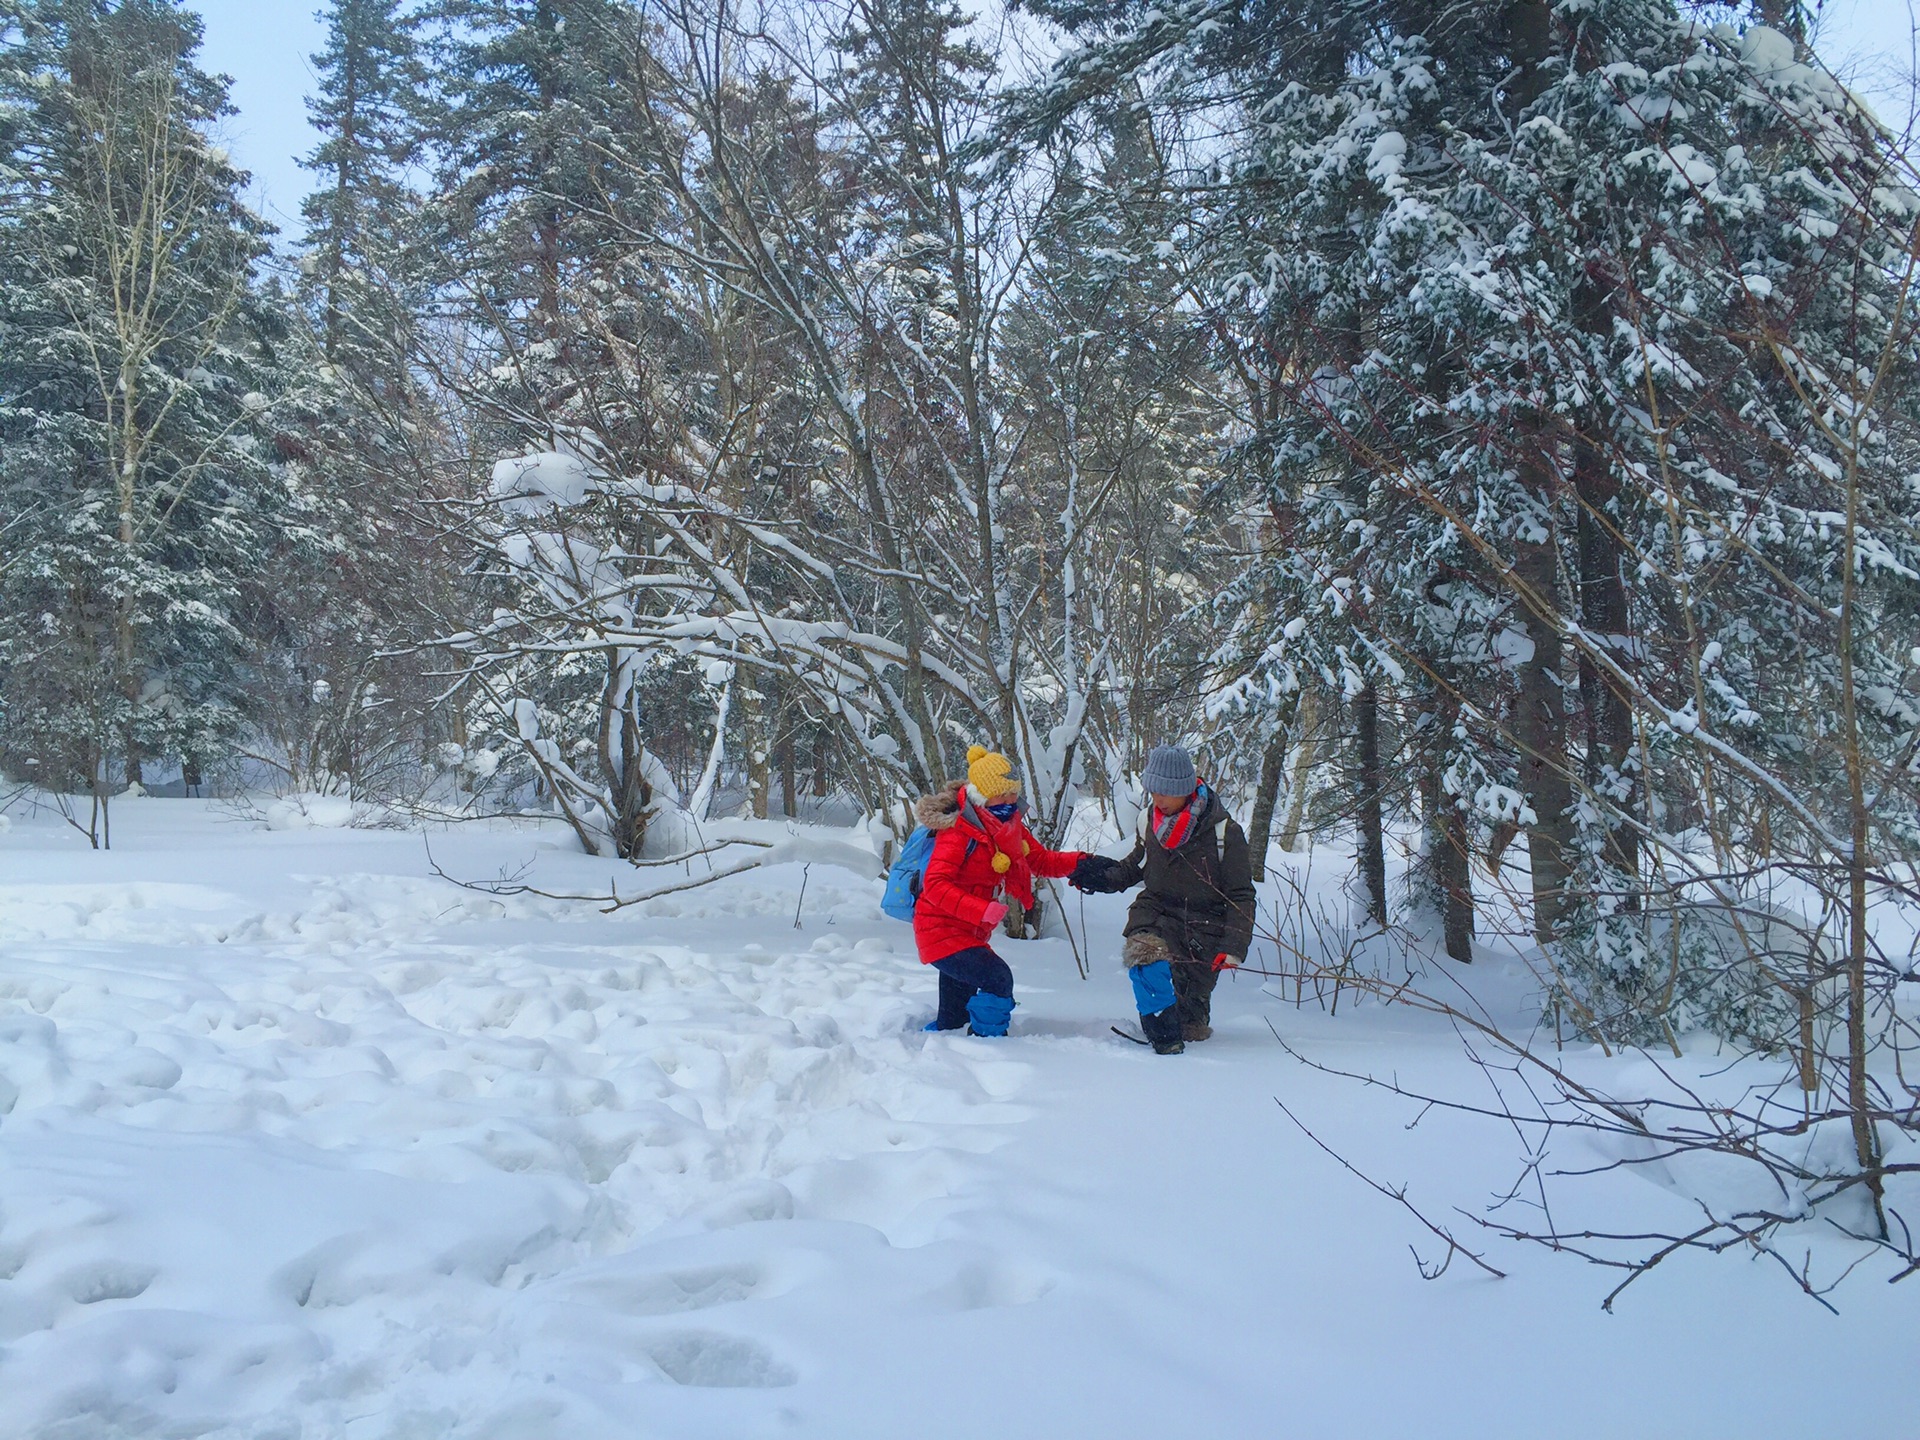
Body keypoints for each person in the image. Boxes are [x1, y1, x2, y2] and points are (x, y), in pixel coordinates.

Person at [1073, 744, 1256, 1054]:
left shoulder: (1226, 833)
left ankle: (1181, 1054)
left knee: (1192, 1024)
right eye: (1154, 792)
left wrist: (1234, 946)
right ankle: (1161, 1036)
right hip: (1155, 912)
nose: (1158, 800)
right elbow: (1138, 866)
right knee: (1146, 960)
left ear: (1185, 790)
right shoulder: (1149, 820)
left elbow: (1241, 895)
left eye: (1166, 793)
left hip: (1203, 929)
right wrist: (1101, 876)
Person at [912, 744, 1099, 1035]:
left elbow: (1038, 859)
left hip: (969, 933)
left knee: (953, 1022)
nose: (1011, 800)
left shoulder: (1007, 826)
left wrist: (1081, 863)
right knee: (998, 979)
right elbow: (935, 886)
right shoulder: (958, 831)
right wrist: (982, 909)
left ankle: (945, 1051)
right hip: (940, 931)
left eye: (1014, 792)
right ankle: (990, 1045)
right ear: (983, 794)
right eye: (1002, 793)